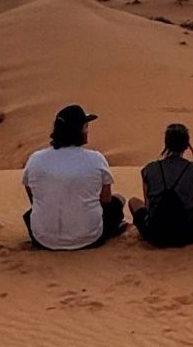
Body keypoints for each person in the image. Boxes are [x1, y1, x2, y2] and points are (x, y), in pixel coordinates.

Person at [22, 104, 125, 250]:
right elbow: (106, 199)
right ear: (80, 130)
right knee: (119, 200)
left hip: (42, 239)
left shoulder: (35, 159)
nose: (87, 131)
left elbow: (32, 195)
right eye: (85, 126)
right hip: (89, 238)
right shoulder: (95, 159)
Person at [129, 123, 193, 247]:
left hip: (156, 234)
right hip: (189, 234)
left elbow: (148, 205)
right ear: (186, 146)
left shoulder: (150, 169)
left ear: (166, 143)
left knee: (133, 202)